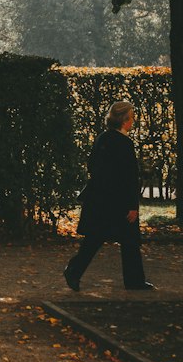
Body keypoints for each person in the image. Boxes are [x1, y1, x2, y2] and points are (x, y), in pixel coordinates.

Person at [64, 99, 155, 292]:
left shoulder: (103, 139)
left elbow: (93, 166)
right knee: (129, 240)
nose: (133, 122)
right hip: (119, 201)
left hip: (101, 199)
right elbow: (129, 176)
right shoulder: (124, 143)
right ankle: (134, 280)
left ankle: (74, 270)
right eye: (131, 118)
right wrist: (132, 205)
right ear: (125, 120)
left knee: (94, 239)